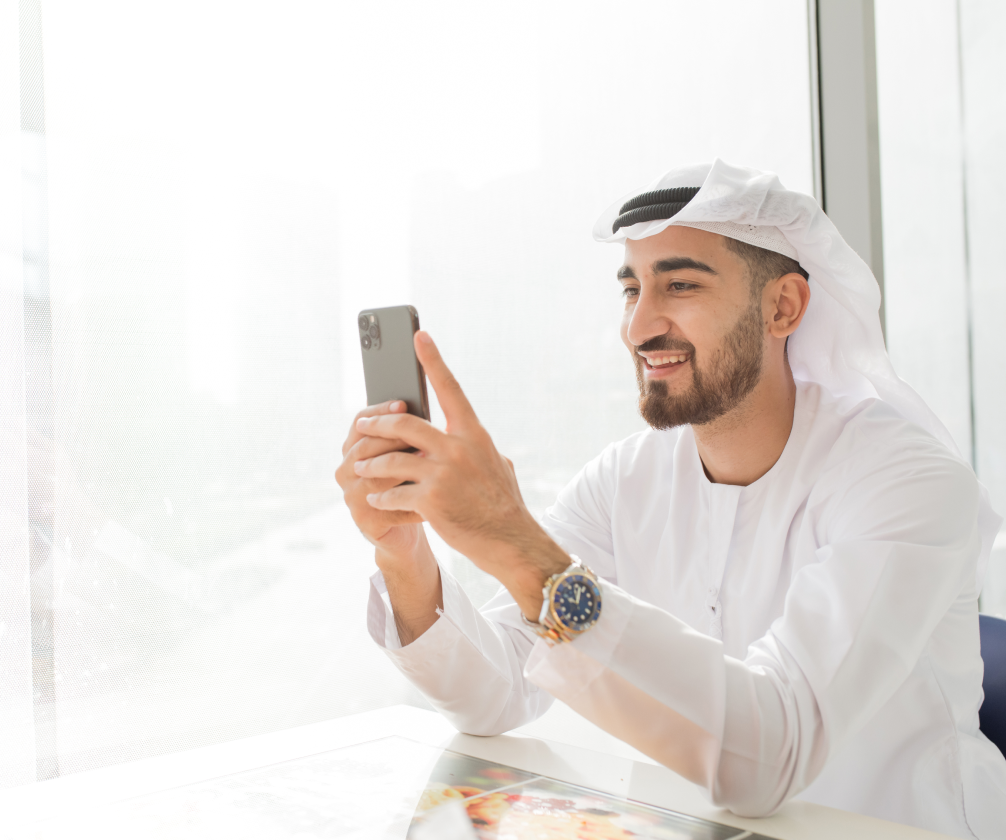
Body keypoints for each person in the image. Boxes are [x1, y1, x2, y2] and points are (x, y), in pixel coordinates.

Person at [334, 160, 1006, 839]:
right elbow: (497, 693)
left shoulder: (905, 479)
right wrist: (405, 551)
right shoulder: (625, 480)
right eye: (632, 289)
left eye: (680, 285)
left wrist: (513, 540)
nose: (639, 327)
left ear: (784, 307)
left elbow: (772, 758)